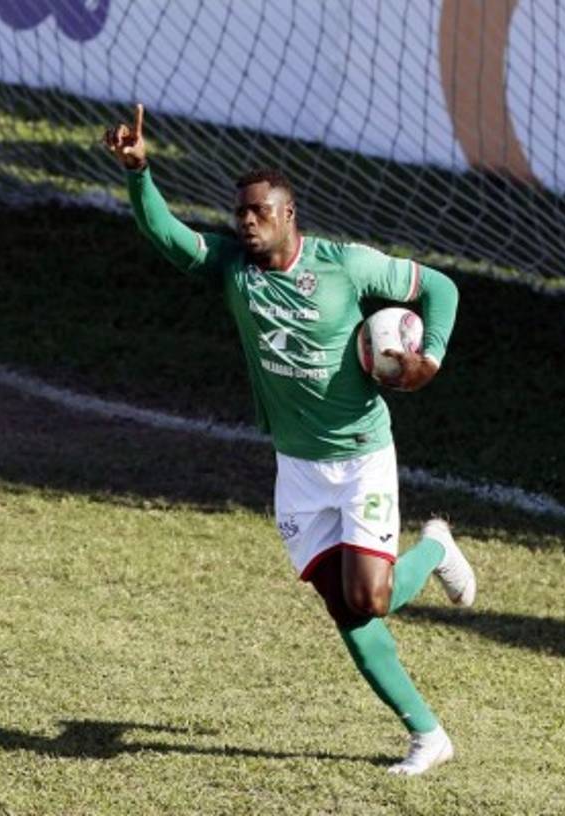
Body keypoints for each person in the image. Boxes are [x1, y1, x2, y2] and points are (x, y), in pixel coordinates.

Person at [103, 104, 475, 776]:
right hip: (298, 470)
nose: (245, 221)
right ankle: (428, 735)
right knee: (349, 612)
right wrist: (139, 174)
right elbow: (165, 234)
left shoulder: (348, 268)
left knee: (372, 598)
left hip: (362, 457)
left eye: (258, 211)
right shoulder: (232, 271)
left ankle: (436, 548)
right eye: (239, 212)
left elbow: (441, 288)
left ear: (289, 213)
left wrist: (433, 360)